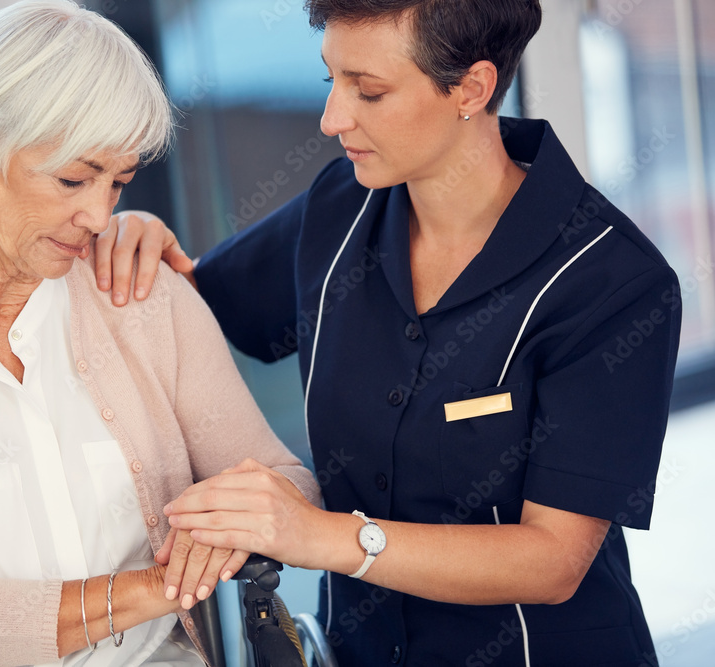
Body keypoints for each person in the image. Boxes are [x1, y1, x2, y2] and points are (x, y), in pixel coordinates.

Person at [94, 0, 682, 665]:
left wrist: (318, 535)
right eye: (331, 81)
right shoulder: (338, 207)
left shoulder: (611, 282)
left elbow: (553, 560)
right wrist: (135, 238)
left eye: (369, 91)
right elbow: (194, 303)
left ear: (472, 88)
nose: (332, 118)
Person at [0, 2, 319, 665]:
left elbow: (286, 484)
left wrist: (231, 522)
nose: (101, 215)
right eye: (74, 178)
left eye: (119, 182)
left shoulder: (140, 292)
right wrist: (164, 584)